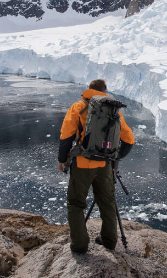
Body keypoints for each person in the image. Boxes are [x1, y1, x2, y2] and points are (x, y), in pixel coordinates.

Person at [58, 79, 136, 254]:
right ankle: (109, 241)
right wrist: (115, 157)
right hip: (105, 165)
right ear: (105, 90)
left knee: (76, 204)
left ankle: (79, 245)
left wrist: (62, 159)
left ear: (88, 90)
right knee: (107, 202)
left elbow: (66, 135)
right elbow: (129, 139)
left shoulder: (78, 107)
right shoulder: (114, 111)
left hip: (82, 164)